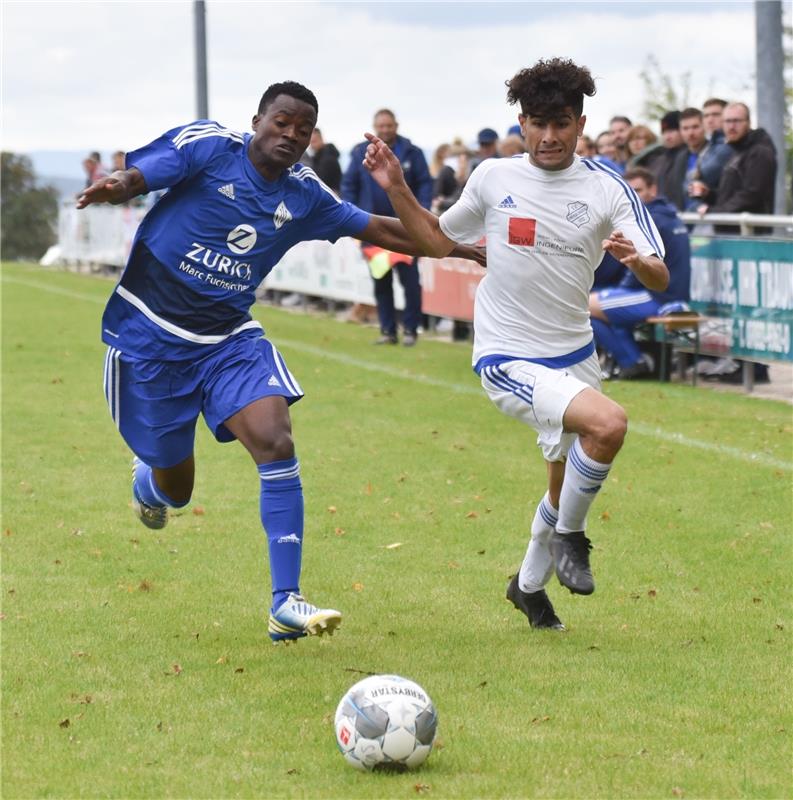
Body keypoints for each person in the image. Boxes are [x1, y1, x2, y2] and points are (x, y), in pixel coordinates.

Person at [76, 81, 481, 644]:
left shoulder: (306, 195)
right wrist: (120, 184)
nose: (290, 135)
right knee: (177, 488)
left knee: (275, 438)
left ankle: (284, 602)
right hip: (151, 337)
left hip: (228, 340)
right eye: (281, 122)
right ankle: (150, 483)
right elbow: (148, 171)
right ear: (258, 120)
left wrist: (454, 242)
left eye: (303, 128)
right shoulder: (213, 148)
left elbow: (396, 234)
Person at [361, 58, 668, 631]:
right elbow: (432, 239)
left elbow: (659, 276)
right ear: (522, 124)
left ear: (580, 123)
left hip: (574, 354)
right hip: (508, 355)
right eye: (537, 123)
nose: (549, 137)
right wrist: (398, 186)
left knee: (563, 480)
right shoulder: (492, 178)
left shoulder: (607, 187)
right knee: (609, 425)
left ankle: (527, 587)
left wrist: (637, 261)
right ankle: (570, 539)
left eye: (562, 123)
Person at [341, 108, 433, 346]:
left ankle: (412, 330)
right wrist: (353, 215)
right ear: (375, 127)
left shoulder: (413, 153)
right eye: (380, 126)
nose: (385, 129)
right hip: (374, 231)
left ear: (396, 126)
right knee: (381, 283)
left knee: (410, 282)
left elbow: (424, 184)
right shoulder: (360, 153)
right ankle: (388, 331)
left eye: (388, 125)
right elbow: (349, 185)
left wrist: (420, 213)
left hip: (408, 230)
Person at [589, 167, 691, 379]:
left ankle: (633, 363)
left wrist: (618, 292)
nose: (632, 197)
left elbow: (636, 264)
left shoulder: (650, 219)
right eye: (629, 191)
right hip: (671, 294)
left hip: (658, 296)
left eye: (638, 190)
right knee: (599, 309)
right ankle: (629, 361)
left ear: (653, 189)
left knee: (584, 306)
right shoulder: (669, 215)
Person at [672, 107, 733, 212]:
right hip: (685, 220)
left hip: (709, 217)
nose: (690, 133)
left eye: (695, 127)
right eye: (685, 128)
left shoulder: (717, 153)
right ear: (680, 131)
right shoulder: (679, 158)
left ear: (704, 126)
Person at [302, 128, 342, 193]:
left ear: (321, 139)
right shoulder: (318, 157)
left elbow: (320, 182)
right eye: (310, 142)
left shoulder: (327, 158)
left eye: (314, 141)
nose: (312, 145)